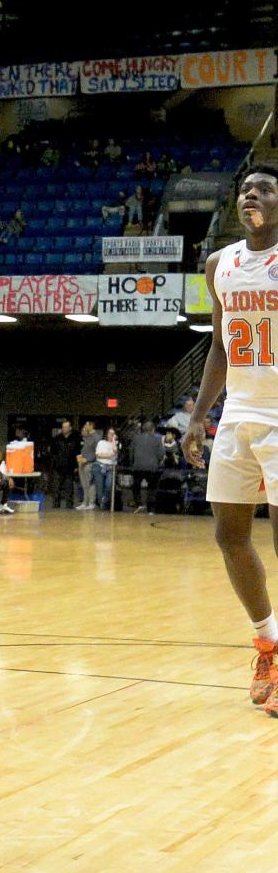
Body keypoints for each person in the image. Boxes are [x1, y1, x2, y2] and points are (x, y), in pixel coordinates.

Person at [182, 167, 278, 716]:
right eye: (245, 190)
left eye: (263, 189)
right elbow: (218, 345)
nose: (251, 196)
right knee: (228, 533)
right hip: (239, 412)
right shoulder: (221, 263)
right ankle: (268, 644)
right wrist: (198, 416)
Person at [130, 420, 164, 513]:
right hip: (152, 467)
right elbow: (161, 454)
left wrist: (132, 463)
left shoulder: (136, 438)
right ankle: (151, 509)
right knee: (152, 488)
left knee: (136, 486)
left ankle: (139, 504)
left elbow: (131, 452)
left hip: (138, 466)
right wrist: (157, 462)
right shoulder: (157, 439)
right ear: (153, 429)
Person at [48, 419, 77, 509]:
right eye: (63, 427)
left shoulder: (75, 439)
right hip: (58, 467)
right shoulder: (56, 439)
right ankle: (56, 505)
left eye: (66, 427)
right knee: (56, 487)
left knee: (69, 488)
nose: (64, 428)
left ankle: (69, 505)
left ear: (70, 428)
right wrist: (54, 463)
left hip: (70, 467)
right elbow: (52, 453)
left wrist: (76, 466)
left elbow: (78, 453)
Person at [76, 420, 101, 509]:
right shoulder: (87, 436)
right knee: (84, 484)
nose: (85, 427)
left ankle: (91, 503)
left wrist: (88, 459)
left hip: (90, 463)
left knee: (90, 483)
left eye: (86, 425)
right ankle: (85, 502)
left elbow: (97, 452)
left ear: (91, 426)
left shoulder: (96, 437)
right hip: (82, 463)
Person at [93, 426, 119, 509]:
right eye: (110, 433)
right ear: (106, 434)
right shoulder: (101, 442)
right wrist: (109, 455)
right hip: (100, 466)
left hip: (111, 467)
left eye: (113, 434)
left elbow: (115, 452)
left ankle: (104, 502)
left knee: (109, 486)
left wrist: (114, 441)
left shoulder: (116, 443)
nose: (111, 435)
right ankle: (102, 505)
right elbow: (98, 454)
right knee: (100, 488)